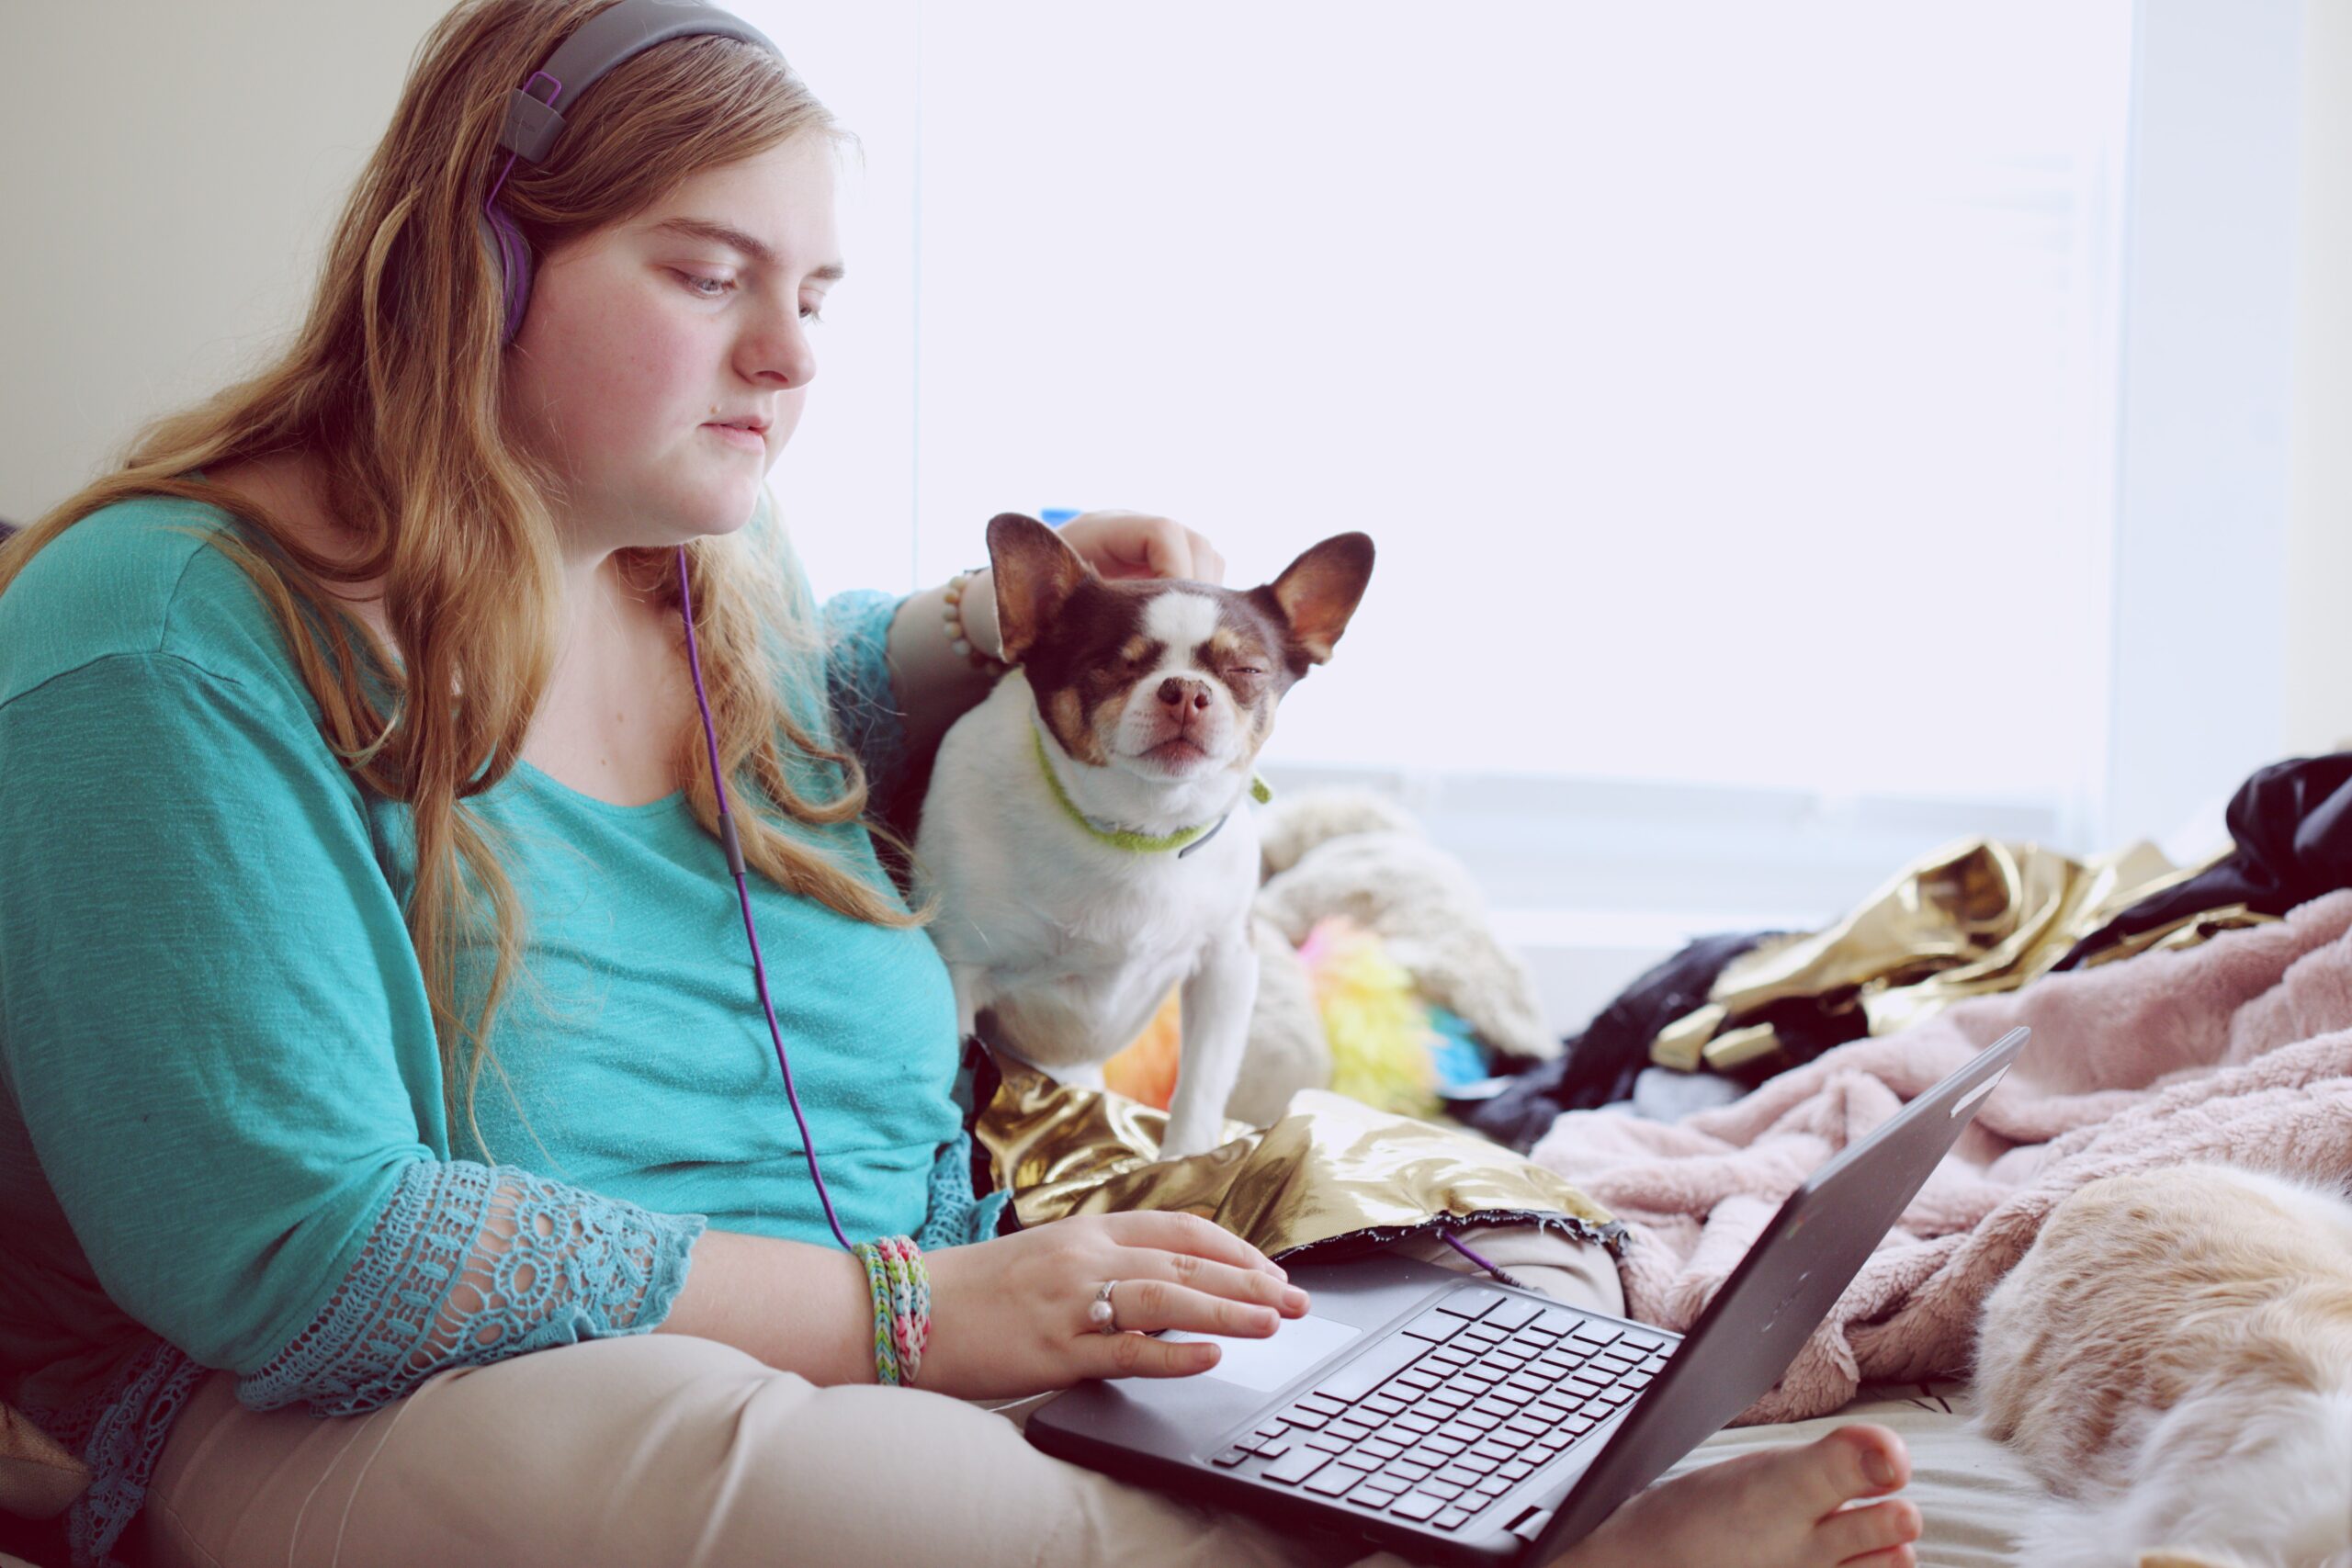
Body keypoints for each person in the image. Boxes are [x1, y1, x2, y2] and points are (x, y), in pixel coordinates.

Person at [0, 4, 1926, 1565]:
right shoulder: (162, 634)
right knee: (689, 1458)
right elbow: (310, 1255)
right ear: (476, 262)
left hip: (908, 1287)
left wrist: (994, 623)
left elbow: (798, 727)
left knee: (1448, 1274)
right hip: (383, 1395)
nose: (786, 356)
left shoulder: (687, 552)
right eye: (707, 273)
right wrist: (919, 1318)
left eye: (818, 294)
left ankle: (1409, 1486)